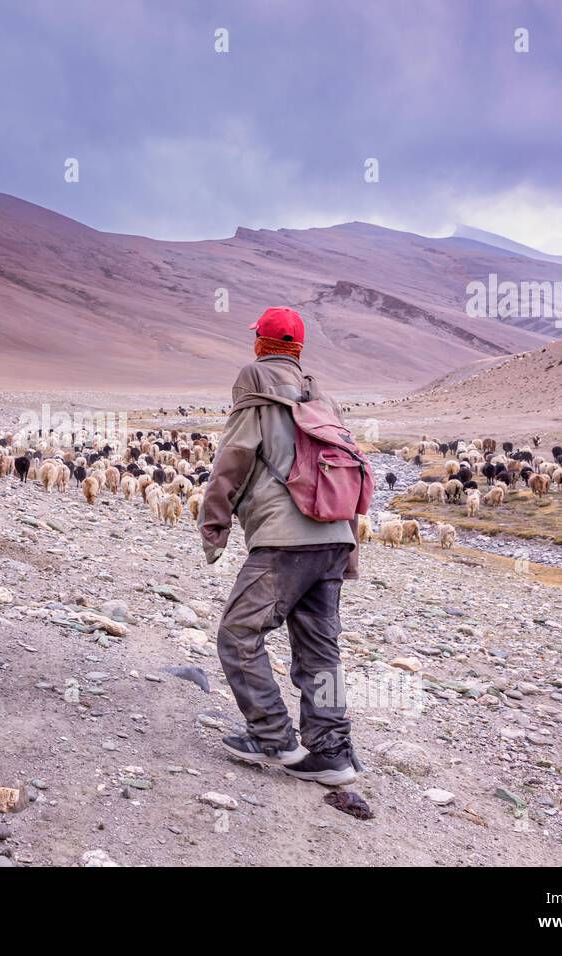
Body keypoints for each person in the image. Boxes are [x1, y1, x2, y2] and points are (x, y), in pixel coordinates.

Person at [199, 307, 364, 786]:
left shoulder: (255, 388)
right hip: (335, 537)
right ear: (298, 348)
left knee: (238, 634)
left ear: (260, 344)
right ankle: (332, 753)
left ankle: (272, 737)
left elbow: (231, 462)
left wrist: (215, 526)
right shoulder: (321, 398)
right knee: (320, 650)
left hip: (284, 542)